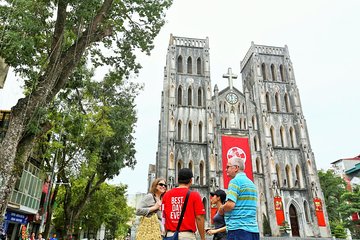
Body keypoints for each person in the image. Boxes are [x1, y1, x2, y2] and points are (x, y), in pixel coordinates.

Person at [218, 157, 259, 240]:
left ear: (236, 168)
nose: (226, 170)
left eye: (228, 167)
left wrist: (221, 209)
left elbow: (230, 205)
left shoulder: (235, 181)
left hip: (238, 230)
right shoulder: (251, 184)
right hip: (253, 230)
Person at [162, 168, 206, 240]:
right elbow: (199, 218)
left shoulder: (166, 195)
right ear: (191, 180)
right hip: (187, 236)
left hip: (170, 235)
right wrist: (203, 238)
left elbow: (164, 216)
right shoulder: (195, 195)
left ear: (177, 179)